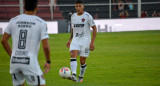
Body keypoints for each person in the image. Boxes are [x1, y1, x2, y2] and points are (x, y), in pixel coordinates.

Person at [1, 0, 51, 86]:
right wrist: (48, 61)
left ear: (23, 8)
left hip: (15, 61)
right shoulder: (41, 23)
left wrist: (12, 55)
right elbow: (46, 46)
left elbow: (3, 40)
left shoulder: (14, 20)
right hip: (30, 62)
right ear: (36, 8)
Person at [66, 0, 97, 82]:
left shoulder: (87, 16)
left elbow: (94, 28)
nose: (78, 8)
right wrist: (70, 40)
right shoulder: (73, 16)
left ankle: (81, 76)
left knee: (82, 61)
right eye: (76, 6)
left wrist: (92, 42)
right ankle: (74, 75)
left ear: (83, 6)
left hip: (85, 40)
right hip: (75, 39)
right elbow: (73, 29)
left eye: (80, 6)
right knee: (73, 55)